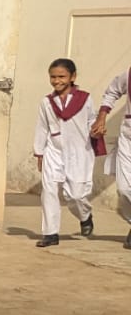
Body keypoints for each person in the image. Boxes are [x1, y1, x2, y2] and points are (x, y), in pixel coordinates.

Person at [33, 58, 98, 247]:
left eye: (61, 76)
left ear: (72, 77)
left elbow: (91, 120)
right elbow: (41, 127)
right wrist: (39, 153)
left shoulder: (84, 99)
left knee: (76, 195)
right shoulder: (46, 102)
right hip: (53, 150)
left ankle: (85, 216)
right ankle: (50, 234)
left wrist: (95, 129)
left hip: (79, 151)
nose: (56, 81)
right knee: (49, 191)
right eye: (53, 77)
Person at [91, 67, 131, 248]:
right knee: (124, 189)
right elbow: (112, 91)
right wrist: (101, 118)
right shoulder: (129, 75)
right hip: (129, 135)